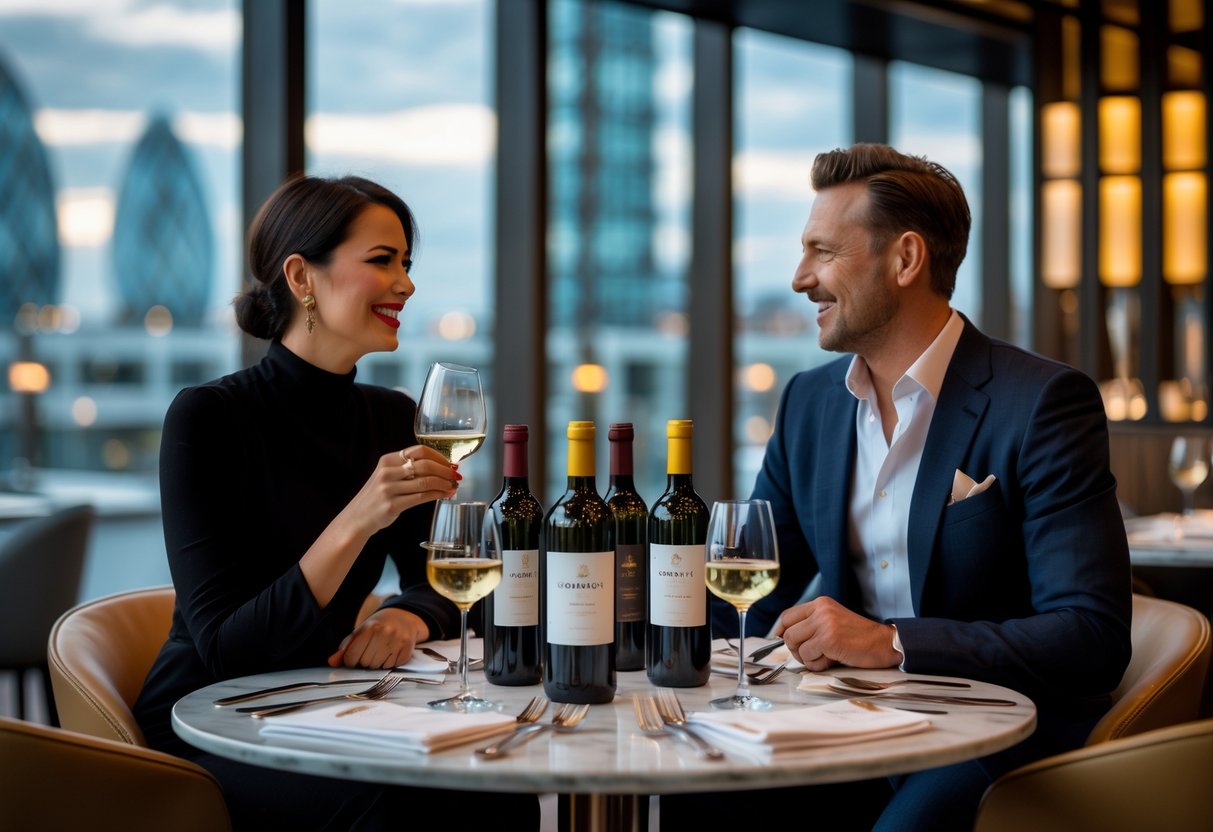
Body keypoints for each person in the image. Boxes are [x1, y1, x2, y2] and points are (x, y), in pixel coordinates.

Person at [673, 143, 1134, 831]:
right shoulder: (809, 403)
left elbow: (1088, 635)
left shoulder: (1040, 402)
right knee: (697, 796)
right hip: (849, 723)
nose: (800, 279)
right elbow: (746, 587)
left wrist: (891, 642)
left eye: (822, 251)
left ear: (905, 259)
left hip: (996, 735)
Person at [133, 174, 540, 830]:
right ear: (301, 277)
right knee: (387, 808)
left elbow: (447, 584)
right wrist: (358, 518)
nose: (405, 284)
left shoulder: (391, 417)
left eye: (407, 264)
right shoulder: (208, 417)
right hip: (209, 721)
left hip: (331, 702)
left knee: (492, 786)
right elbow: (228, 651)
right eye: (381, 261)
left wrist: (406, 619)